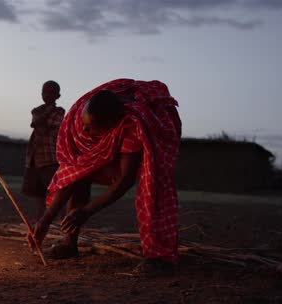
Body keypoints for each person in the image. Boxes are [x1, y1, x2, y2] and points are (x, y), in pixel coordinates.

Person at [27, 79, 181, 272]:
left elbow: (125, 180)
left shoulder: (131, 128)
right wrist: (45, 221)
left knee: (153, 188)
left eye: (92, 127)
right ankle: (69, 243)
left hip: (150, 141)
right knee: (79, 177)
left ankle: (159, 257)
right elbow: (72, 171)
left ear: (110, 125)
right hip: (105, 140)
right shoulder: (79, 118)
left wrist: (87, 211)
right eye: (85, 124)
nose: (84, 130)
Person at [22, 80, 65, 222]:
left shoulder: (60, 112)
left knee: (56, 195)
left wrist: (42, 121)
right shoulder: (37, 110)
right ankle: (39, 224)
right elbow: (36, 123)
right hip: (35, 159)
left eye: (50, 92)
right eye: (44, 92)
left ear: (57, 96)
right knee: (39, 196)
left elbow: (41, 127)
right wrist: (45, 117)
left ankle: (62, 226)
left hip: (50, 159)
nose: (46, 95)